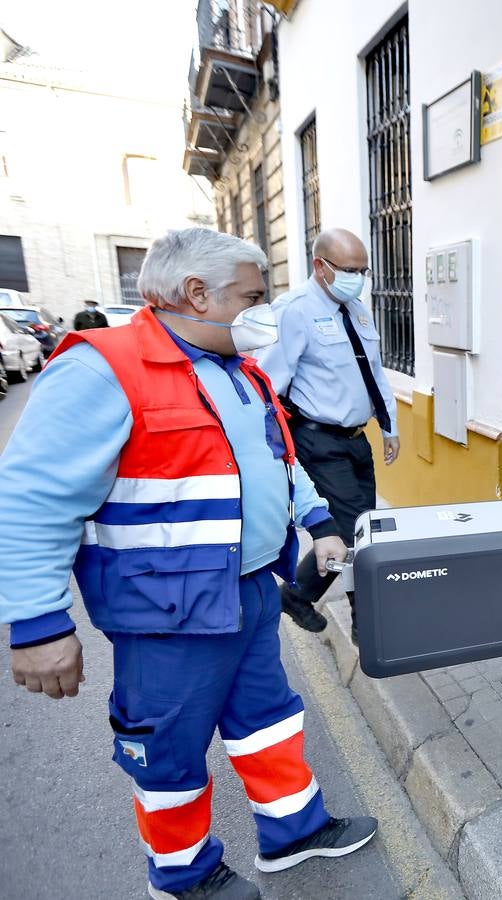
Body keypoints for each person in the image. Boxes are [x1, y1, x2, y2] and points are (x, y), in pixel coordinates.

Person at [0, 228, 377, 899]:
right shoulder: (101, 370)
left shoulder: (239, 369)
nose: (263, 311)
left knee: (269, 721)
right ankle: (183, 875)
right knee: (168, 750)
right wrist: (35, 622)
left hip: (252, 593)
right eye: (251, 297)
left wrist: (317, 523)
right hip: (167, 615)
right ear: (196, 293)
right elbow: (31, 501)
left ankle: (293, 830)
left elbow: (278, 463)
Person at [256, 228, 399, 636]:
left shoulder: (356, 309)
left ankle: (297, 595)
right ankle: (366, 623)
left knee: (359, 526)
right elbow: (268, 384)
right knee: (356, 532)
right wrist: (277, 448)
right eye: (350, 270)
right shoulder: (294, 310)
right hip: (318, 439)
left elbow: (373, 373)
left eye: (363, 270)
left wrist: (389, 426)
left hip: (357, 439)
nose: (358, 278)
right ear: (321, 267)